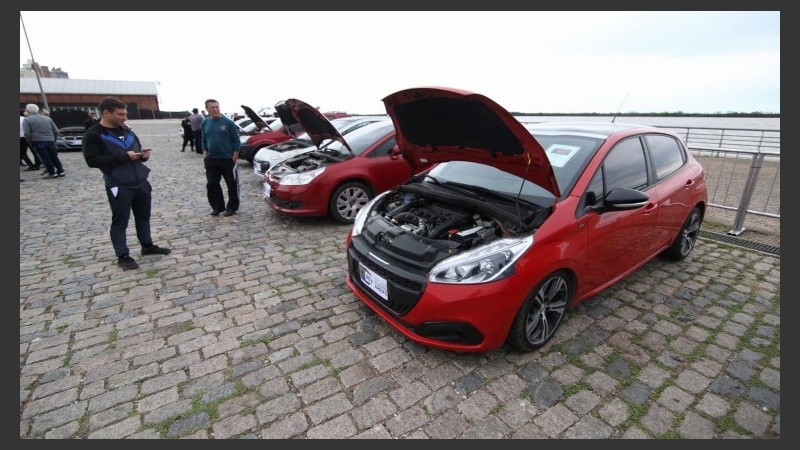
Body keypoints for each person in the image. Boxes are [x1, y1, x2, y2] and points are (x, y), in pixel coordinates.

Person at [82, 97, 171, 270]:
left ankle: (147, 245)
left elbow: (135, 150)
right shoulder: (93, 134)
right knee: (120, 221)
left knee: (143, 217)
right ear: (106, 113)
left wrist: (142, 155)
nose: (124, 117)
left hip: (140, 182)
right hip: (119, 185)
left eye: (125, 114)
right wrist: (125, 157)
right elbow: (92, 161)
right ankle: (123, 255)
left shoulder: (127, 130)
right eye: (120, 114)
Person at [201, 98, 241, 217]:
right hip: (211, 160)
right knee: (212, 184)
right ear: (207, 109)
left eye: (217, 107)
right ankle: (217, 207)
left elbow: (236, 141)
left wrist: (233, 158)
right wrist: (205, 154)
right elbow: (204, 139)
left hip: (227, 159)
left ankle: (232, 208)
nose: (215, 109)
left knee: (231, 185)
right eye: (212, 107)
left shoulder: (228, 123)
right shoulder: (205, 122)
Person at [23, 103, 64, 179]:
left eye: (25, 110)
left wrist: (30, 142)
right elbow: (56, 131)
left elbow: (27, 133)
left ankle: (52, 173)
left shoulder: (27, 119)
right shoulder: (47, 118)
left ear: (28, 110)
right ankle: (60, 170)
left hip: (38, 141)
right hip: (50, 140)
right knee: (54, 156)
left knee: (45, 158)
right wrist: (53, 139)